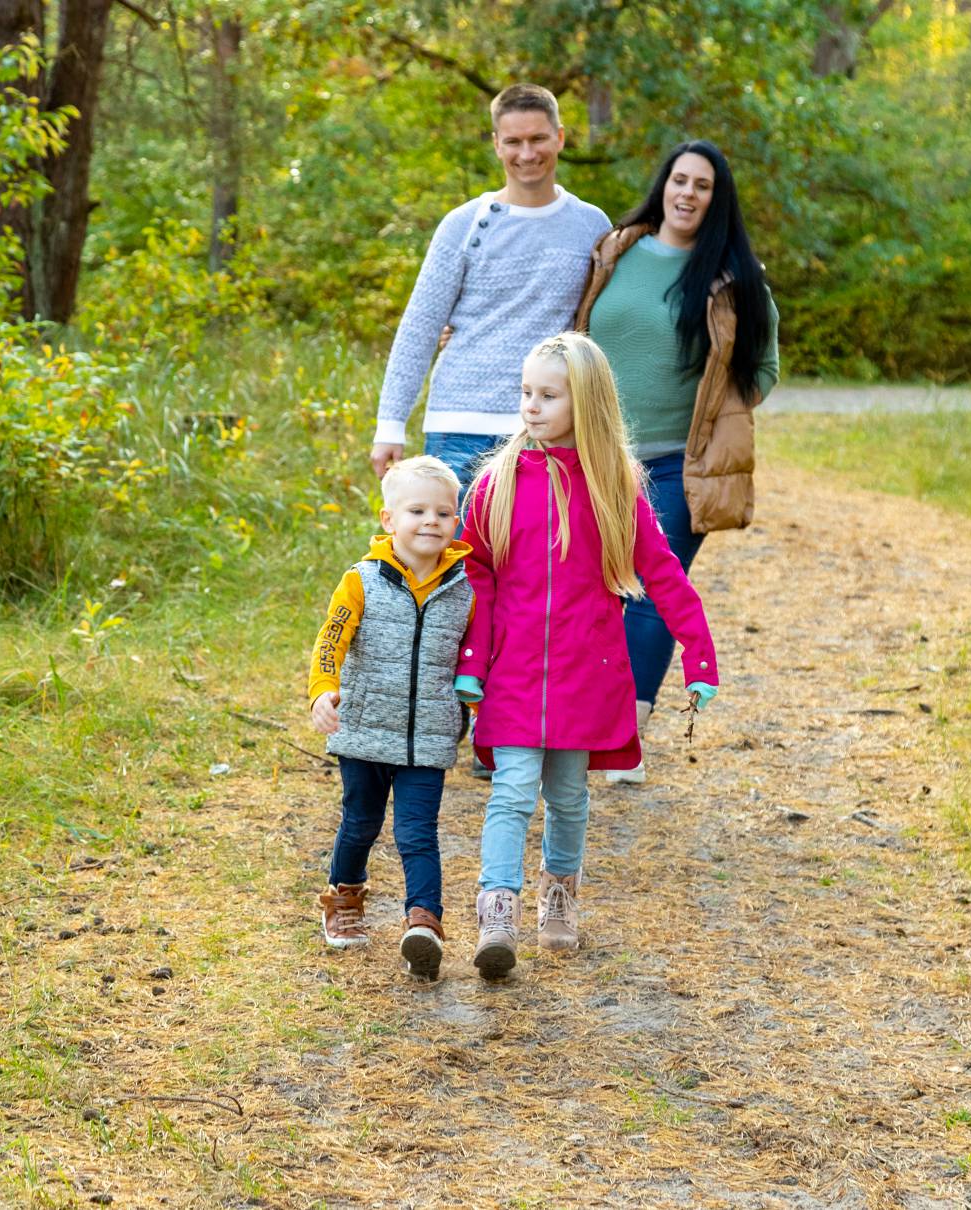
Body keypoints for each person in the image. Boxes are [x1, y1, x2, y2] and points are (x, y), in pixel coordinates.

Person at [453, 333, 719, 980]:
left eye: (548, 395)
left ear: (586, 402)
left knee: (569, 797)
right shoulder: (497, 482)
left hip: (583, 674)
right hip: (513, 673)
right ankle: (498, 909)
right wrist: (471, 659)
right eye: (526, 393)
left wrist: (699, 654)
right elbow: (475, 575)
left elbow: (663, 573)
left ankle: (561, 894)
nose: (532, 407)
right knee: (512, 791)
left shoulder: (612, 487)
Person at [574, 139, 780, 785]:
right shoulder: (616, 251)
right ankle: (567, 719)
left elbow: (764, 368)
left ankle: (625, 733)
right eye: (680, 180)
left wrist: (718, 412)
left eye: (703, 186)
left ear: (718, 201)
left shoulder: (733, 278)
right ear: (663, 185)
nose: (687, 194)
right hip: (593, 453)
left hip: (673, 463)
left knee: (651, 591)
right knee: (584, 588)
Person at [371, 83, 611, 497]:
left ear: (560, 137)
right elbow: (420, 326)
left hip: (549, 428)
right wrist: (390, 424)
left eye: (538, 138)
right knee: (457, 559)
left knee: (540, 560)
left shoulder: (591, 225)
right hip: (460, 427)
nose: (527, 153)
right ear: (498, 145)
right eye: (514, 141)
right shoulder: (464, 224)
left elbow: (602, 322)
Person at [307, 456, 473, 981]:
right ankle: (345, 897)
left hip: (429, 736)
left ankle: (423, 922)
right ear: (388, 520)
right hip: (361, 731)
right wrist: (322, 692)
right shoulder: (361, 581)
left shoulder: (466, 589)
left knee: (418, 832)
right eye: (417, 510)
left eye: (443, 512)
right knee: (361, 823)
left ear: (456, 521)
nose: (431, 521)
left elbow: (476, 654)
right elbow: (330, 641)